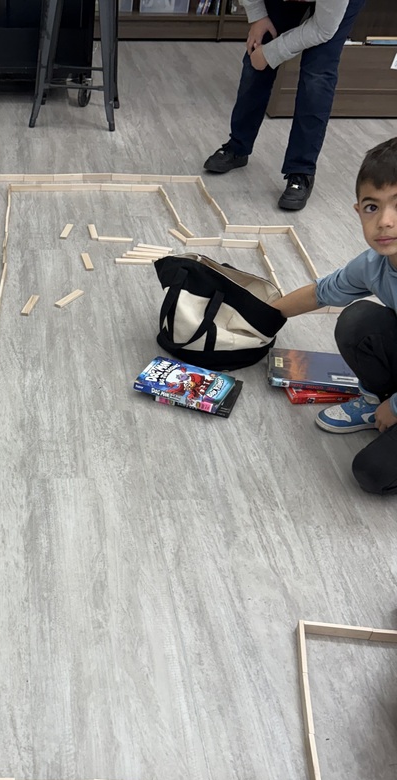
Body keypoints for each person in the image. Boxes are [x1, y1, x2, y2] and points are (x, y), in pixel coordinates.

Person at [272, 137, 397, 492]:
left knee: (373, 472)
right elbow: (320, 292)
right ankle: (375, 400)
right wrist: (263, 315)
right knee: (358, 320)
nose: (385, 222)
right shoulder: (374, 264)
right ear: (359, 211)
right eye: (373, 207)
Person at [203, 0, 366, 211]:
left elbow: (322, 29)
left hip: (334, 11)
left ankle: (301, 170)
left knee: (317, 75)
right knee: (256, 54)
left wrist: (271, 53)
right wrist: (258, 17)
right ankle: (237, 147)